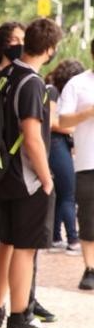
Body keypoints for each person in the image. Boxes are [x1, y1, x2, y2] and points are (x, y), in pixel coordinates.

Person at [0, 18, 61, 328]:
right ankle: (19, 317)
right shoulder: (31, 83)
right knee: (25, 249)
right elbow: (32, 136)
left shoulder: (7, 74)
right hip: (25, 177)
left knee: (5, 242)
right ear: (50, 49)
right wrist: (46, 178)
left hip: (3, 173)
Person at [57, 39, 94, 290]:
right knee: (89, 217)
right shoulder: (78, 83)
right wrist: (87, 113)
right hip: (87, 160)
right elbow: (62, 120)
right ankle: (90, 268)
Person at [46, 60, 84, 253]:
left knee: (62, 193)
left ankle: (54, 237)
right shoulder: (52, 91)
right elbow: (51, 121)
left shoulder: (59, 92)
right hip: (56, 142)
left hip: (59, 142)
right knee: (69, 192)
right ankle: (73, 239)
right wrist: (71, 127)